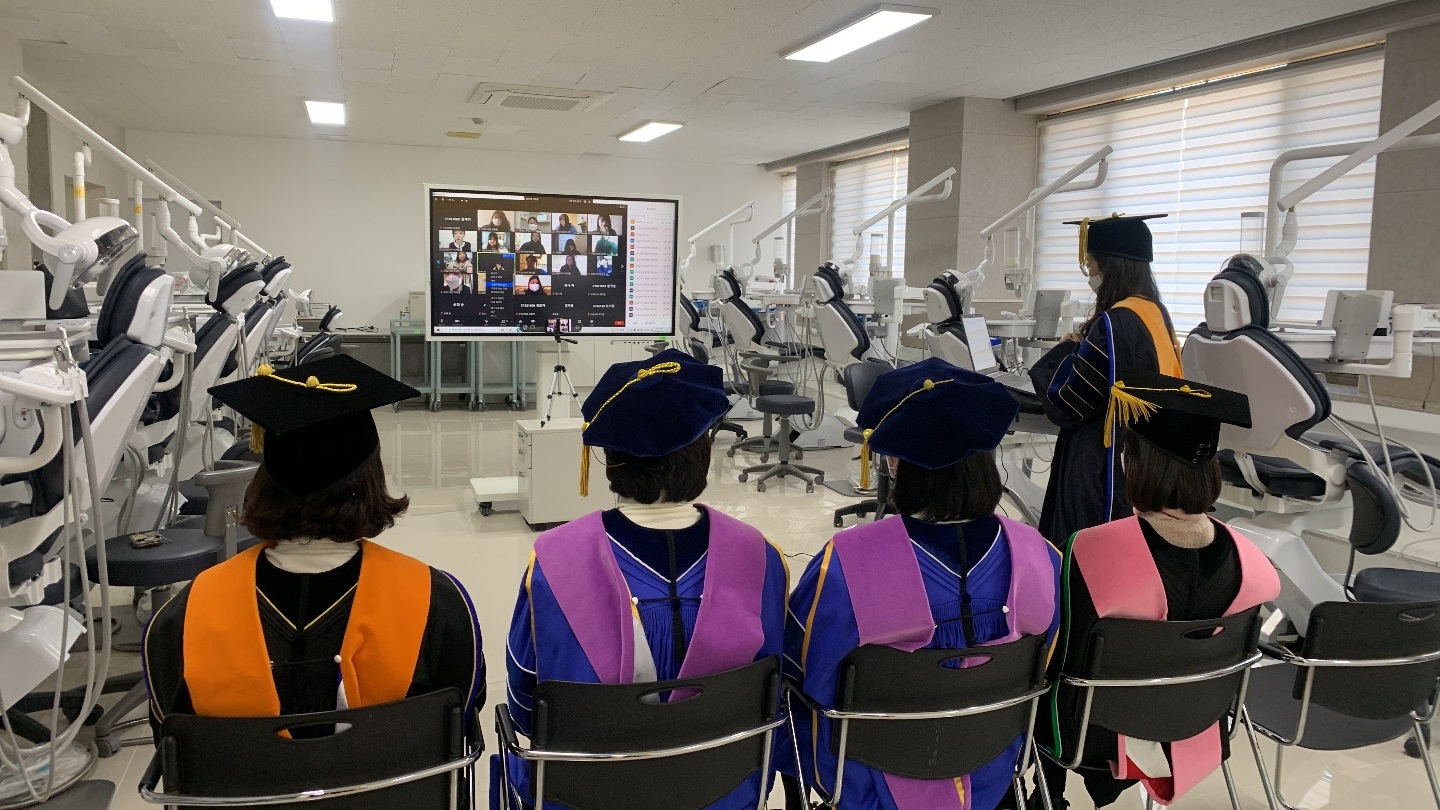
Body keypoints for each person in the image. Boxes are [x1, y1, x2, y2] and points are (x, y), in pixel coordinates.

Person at [497, 349, 789, 809]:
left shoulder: (552, 563)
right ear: (703, 453)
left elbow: (524, 707)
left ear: (611, 460)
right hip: (724, 793)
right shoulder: (762, 558)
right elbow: (775, 690)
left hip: (587, 796)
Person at [144, 356, 484, 737]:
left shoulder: (182, 620)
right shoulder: (438, 606)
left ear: (263, 482)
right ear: (372, 479)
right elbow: (460, 725)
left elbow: (172, 746)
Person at [788, 358, 1062, 810]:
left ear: (896, 462)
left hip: (869, 784)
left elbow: (804, 675)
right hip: (993, 770)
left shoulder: (848, 563)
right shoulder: (1040, 555)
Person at [1036, 371, 1280, 809]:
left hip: (1091, 736)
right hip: (1197, 723)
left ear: (1135, 465)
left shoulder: (1092, 551)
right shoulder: (1248, 559)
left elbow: (1062, 658)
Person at [1029, 214, 1182, 547]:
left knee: (1085, 552)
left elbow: (1069, 402)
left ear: (1109, 265)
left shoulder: (1116, 322)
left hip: (1100, 460)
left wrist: (1065, 351)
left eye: (1091, 264)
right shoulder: (1155, 312)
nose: (1090, 273)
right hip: (1143, 457)